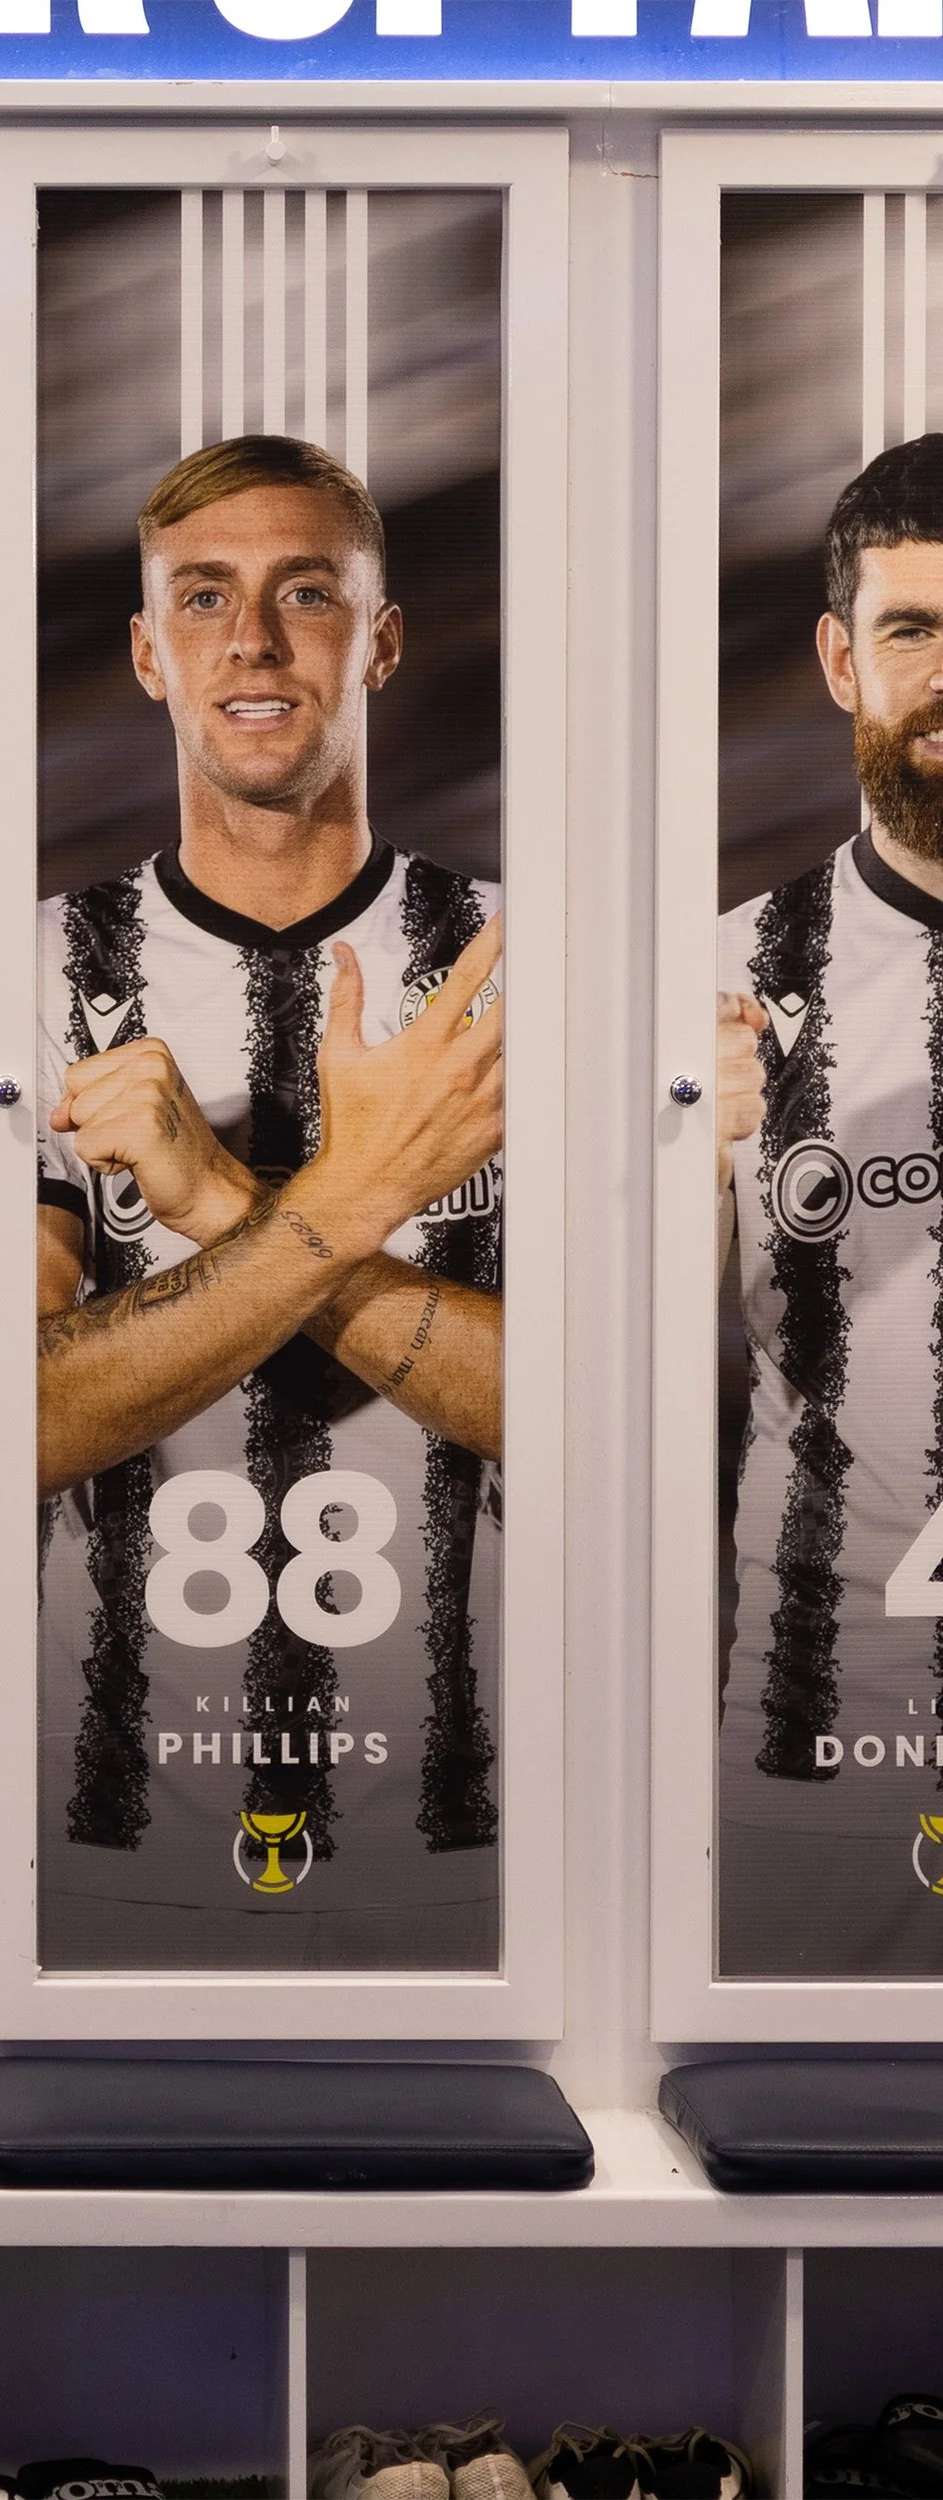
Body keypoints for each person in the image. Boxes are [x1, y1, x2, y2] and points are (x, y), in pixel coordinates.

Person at [34, 434, 506, 1973]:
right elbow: (20, 1419)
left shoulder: (519, 963)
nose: (251, 640)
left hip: (479, 1849)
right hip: (108, 1843)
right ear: (147, 654)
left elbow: (586, 1413)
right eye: (202, 598)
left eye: (306, 594)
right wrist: (355, 1200)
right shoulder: (33, 973)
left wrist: (222, 1197)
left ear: (381, 639)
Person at [714, 432, 943, 1977]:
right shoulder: (721, 982)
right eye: (912, 628)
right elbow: (612, 1399)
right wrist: (682, 1166)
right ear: (841, 661)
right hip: (818, 1760)